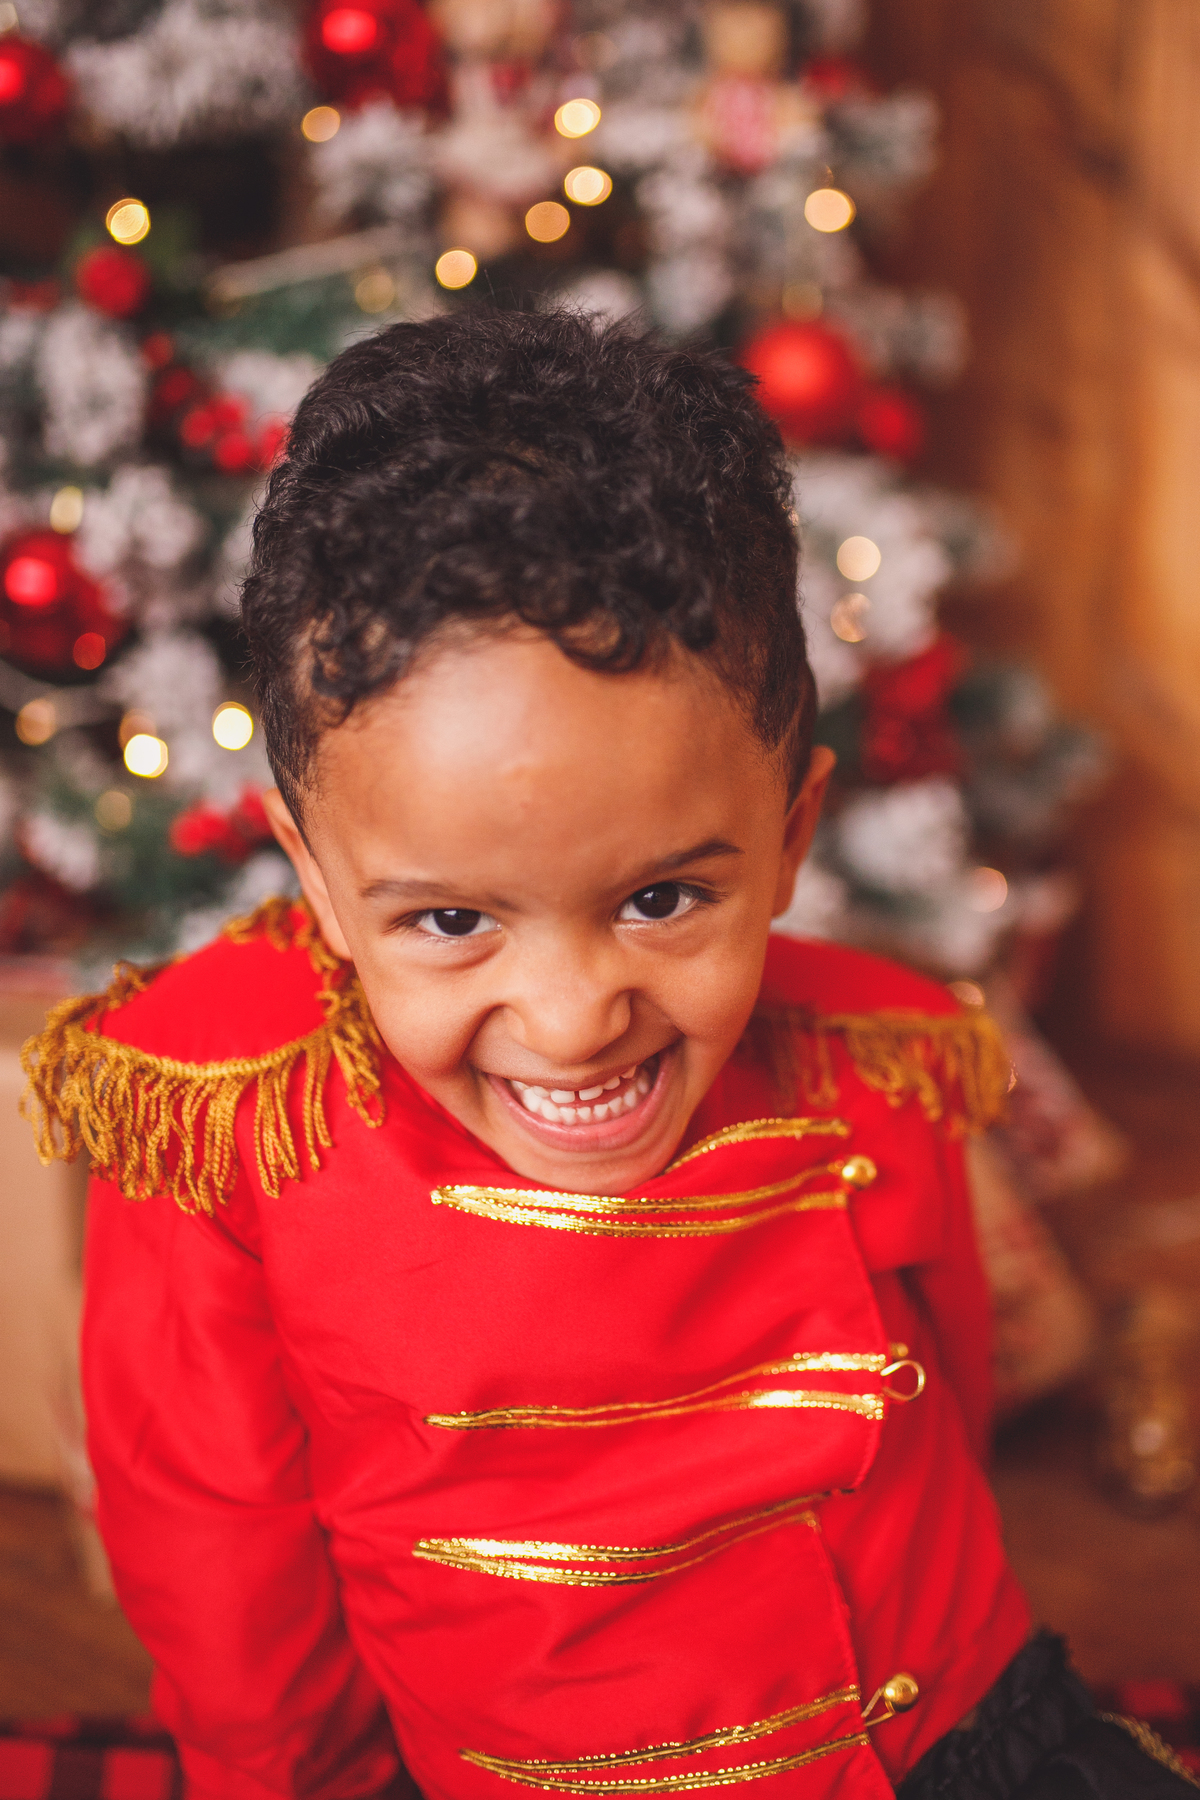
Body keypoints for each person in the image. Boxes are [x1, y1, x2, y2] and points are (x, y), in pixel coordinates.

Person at [23, 311, 1196, 1800]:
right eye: (451, 920)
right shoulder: (223, 1121)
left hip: (962, 1733)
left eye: (662, 901)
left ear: (791, 839)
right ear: (314, 878)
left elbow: (941, 1391)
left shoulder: (872, 1052)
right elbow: (221, 1571)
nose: (576, 1016)